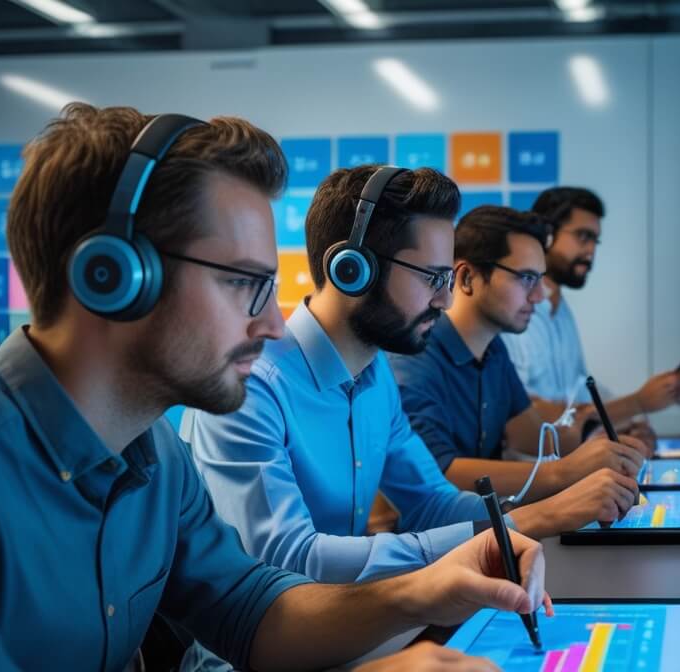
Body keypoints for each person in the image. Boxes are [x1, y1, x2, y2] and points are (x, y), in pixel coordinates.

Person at [0, 104, 545, 671]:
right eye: (243, 282)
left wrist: (425, 591)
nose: (274, 325)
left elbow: (250, 609)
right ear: (114, 275)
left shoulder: (157, 453)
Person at [185, 166, 641, 606]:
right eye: (432, 278)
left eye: (447, 279)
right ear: (352, 269)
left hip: (348, 619)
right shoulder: (252, 386)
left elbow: (431, 503)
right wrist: (534, 519)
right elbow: (288, 560)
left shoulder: (376, 373)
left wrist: (538, 514)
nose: (446, 299)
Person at [390, 205, 649, 503]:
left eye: (540, 279)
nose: (538, 296)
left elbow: (527, 433)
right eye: (526, 278)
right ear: (467, 277)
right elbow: (438, 474)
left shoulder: (493, 349)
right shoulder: (415, 356)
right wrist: (564, 472)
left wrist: (601, 442)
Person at [501, 187, 680, 432]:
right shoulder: (513, 316)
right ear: (547, 235)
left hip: (568, 452)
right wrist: (637, 404)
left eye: (595, 240)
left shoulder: (562, 311)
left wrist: (634, 423)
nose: (591, 250)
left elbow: (580, 393)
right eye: (583, 236)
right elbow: (525, 415)